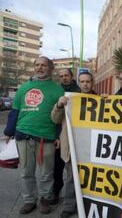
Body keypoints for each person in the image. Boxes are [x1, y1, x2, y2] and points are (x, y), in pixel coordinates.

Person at [2, 56, 64, 214]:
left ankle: (45, 199)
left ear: (50, 68)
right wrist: (8, 132)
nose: (39, 67)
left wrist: (58, 136)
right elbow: (14, 111)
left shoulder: (58, 89)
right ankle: (29, 200)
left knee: (46, 173)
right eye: (37, 65)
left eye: (43, 65)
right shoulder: (23, 88)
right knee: (25, 172)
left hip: (47, 138)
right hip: (23, 135)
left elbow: (62, 117)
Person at [51, 72, 96, 218]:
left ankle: (87, 205)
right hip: (73, 148)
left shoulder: (100, 100)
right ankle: (69, 207)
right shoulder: (69, 99)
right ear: (79, 82)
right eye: (82, 81)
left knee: (91, 179)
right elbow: (55, 119)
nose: (85, 84)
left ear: (92, 82)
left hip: (91, 149)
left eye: (88, 81)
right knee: (71, 178)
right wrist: (59, 105)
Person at [54, 68, 81, 204]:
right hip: (60, 138)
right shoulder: (56, 92)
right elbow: (54, 118)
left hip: (77, 140)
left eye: (66, 75)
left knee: (72, 174)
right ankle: (55, 193)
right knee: (56, 170)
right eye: (61, 76)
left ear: (71, 76)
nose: (64, 78)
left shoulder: (79, 92)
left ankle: (72, 203)